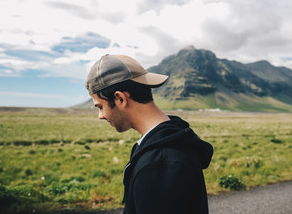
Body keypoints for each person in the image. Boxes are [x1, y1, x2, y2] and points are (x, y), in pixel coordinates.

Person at [85, 54, 213, 214]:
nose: (100, 116)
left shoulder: (159, 164)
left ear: (120, 99)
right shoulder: (169, 142)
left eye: (100, 107)